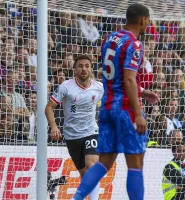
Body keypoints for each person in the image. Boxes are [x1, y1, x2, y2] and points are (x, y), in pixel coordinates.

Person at [72, 4, 159, 200]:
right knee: (135, 165)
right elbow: (128, 79)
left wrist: (142, 91)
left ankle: (76, 198)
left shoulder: (110, 39)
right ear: (143, 20)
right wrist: (138, 113)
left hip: (107, 107)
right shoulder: (134, 44)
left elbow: (117, 76)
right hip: (126, 110)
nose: (148, 25)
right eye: (148, 21)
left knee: (103, 162)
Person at [45, 54, 104, 200]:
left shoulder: (99, 88)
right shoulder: (66, 87)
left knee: (92, 167)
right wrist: (53, 127)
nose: (84, 69)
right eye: (80, 66)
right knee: (85, 176)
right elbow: (49, 108)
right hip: (72, 136)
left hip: (91, 132)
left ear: (91, 69)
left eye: (87, 66)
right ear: (74, 69)